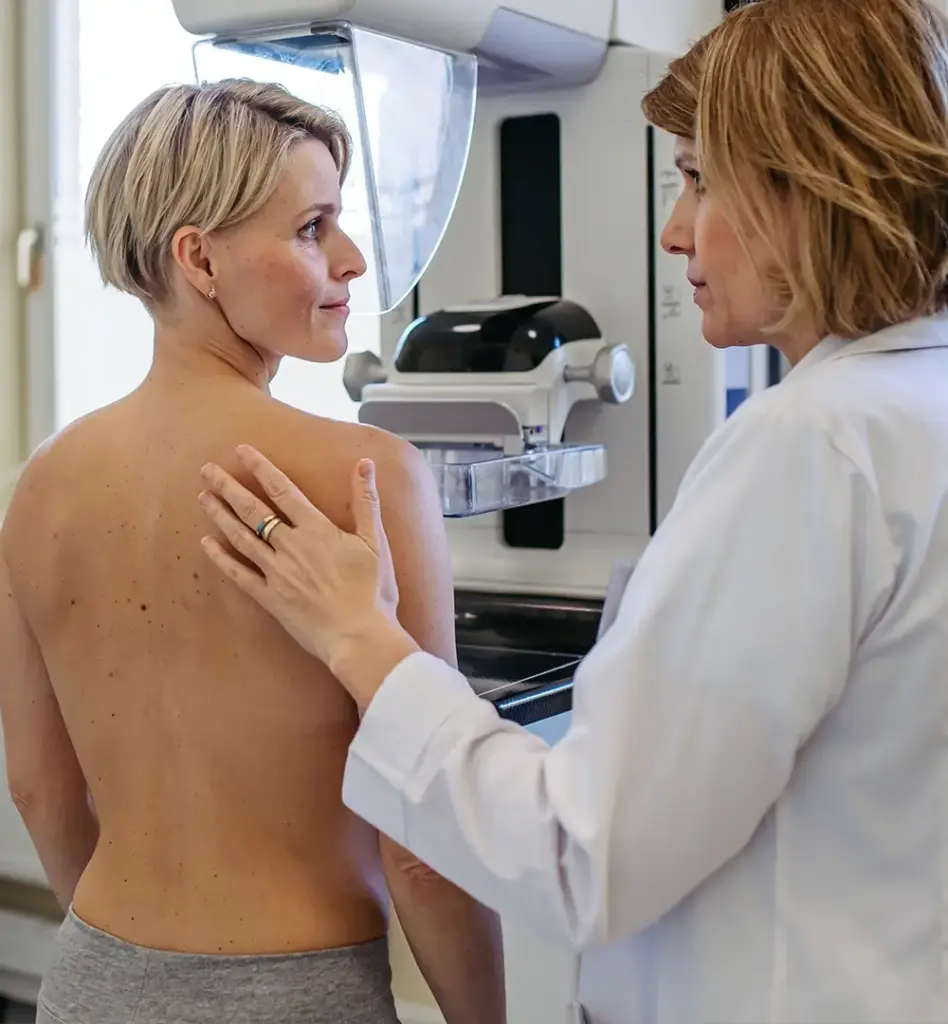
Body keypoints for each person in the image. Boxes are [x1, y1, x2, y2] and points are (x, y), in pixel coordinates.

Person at [195, 0, 948, 1021]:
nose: (674, 230)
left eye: (699, 180)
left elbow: (581, 851)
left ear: (806, 186)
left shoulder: (814, 443)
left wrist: (358, 638)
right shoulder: (907, 406)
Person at [0, 79, 504, 1024]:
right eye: (313, 229)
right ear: (199, 258)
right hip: (296, 992)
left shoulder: (41, 486)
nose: (352, 260)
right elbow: (425, 845)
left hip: (91, 979)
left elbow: (37, 786)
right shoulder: (369, 478)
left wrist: (131, 978)